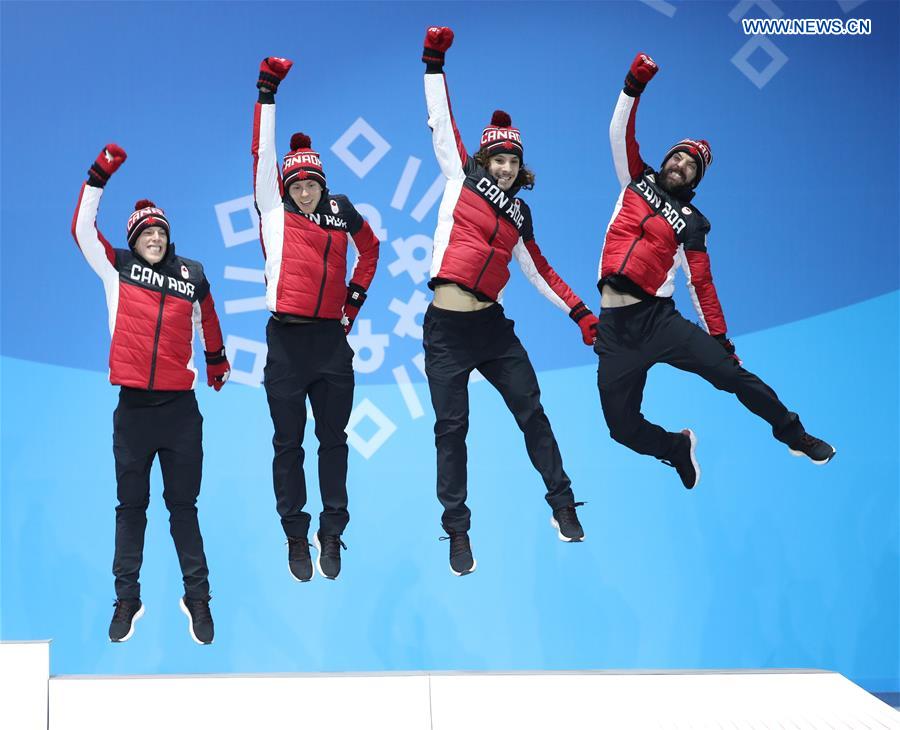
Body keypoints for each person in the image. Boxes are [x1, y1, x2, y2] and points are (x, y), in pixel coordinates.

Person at [595, 53, 835, 489]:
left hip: (657, 319)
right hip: (614, 327)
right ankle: (675, 448)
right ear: (666, 159)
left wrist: (720, 339)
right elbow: (618, 132)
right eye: (679, 157)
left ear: (694, 181)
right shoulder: (634, 179)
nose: (682, 164)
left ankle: (794, 434)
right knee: (620, 427)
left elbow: (700, 282)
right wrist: (633, 85)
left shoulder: (691, 221)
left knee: (730, 375)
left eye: (692, 166)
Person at [421, 27, 600, 576]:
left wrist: (580, 313)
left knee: (532, 411)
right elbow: (442, 122)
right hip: (447, 330)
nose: (504, 167)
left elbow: (539, 269)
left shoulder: (520, 216)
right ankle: (457, 533)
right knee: (452, 432)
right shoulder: (459, 179)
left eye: (512, 161)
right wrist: (434, 63)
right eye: (497, 157)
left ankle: (563, 503)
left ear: (520, 168)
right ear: (483, 157)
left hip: (493, 330)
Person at [71, 144, 230, 644]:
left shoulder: (192, 275)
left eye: (161, 232)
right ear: (134, 240)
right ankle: (127, 597)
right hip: (134, 412)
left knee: (184, 508)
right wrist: (98, 178)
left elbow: (208, 319)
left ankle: (198, 598)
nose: (155, 239)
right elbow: (80, 230)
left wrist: (216, 361)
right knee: (130, 508)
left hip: (181, 412)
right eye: (147, 233)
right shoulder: (115, 270)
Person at [252, 57, 380, 582]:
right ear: (285, 189)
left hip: (330, 343)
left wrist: (352, 304)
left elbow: (371, 250)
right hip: (286, 342)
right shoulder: (275, 215)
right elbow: (261, 157)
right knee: (288, 444)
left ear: (323, 184)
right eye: (296, 185)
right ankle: (294, 535)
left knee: (334, 441)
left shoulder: (342, 210)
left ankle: (332, 531)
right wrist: (267, 94)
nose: (304, 192)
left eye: (312, 184)